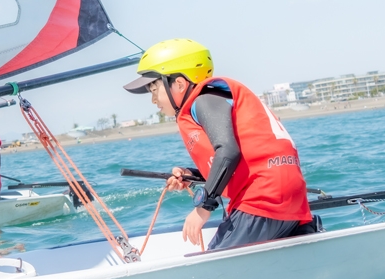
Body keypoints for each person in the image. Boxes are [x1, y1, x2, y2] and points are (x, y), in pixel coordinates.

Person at [123, 39, 319, 250]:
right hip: (290, 201)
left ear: (179, 84)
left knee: (209, 273)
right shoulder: (218, 98)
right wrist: (192, 175)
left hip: (261, 202)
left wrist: (203, 207)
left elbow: (227, 152)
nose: (153, 100)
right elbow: (239, 158)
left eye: (154, 89)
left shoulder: (203, 100)